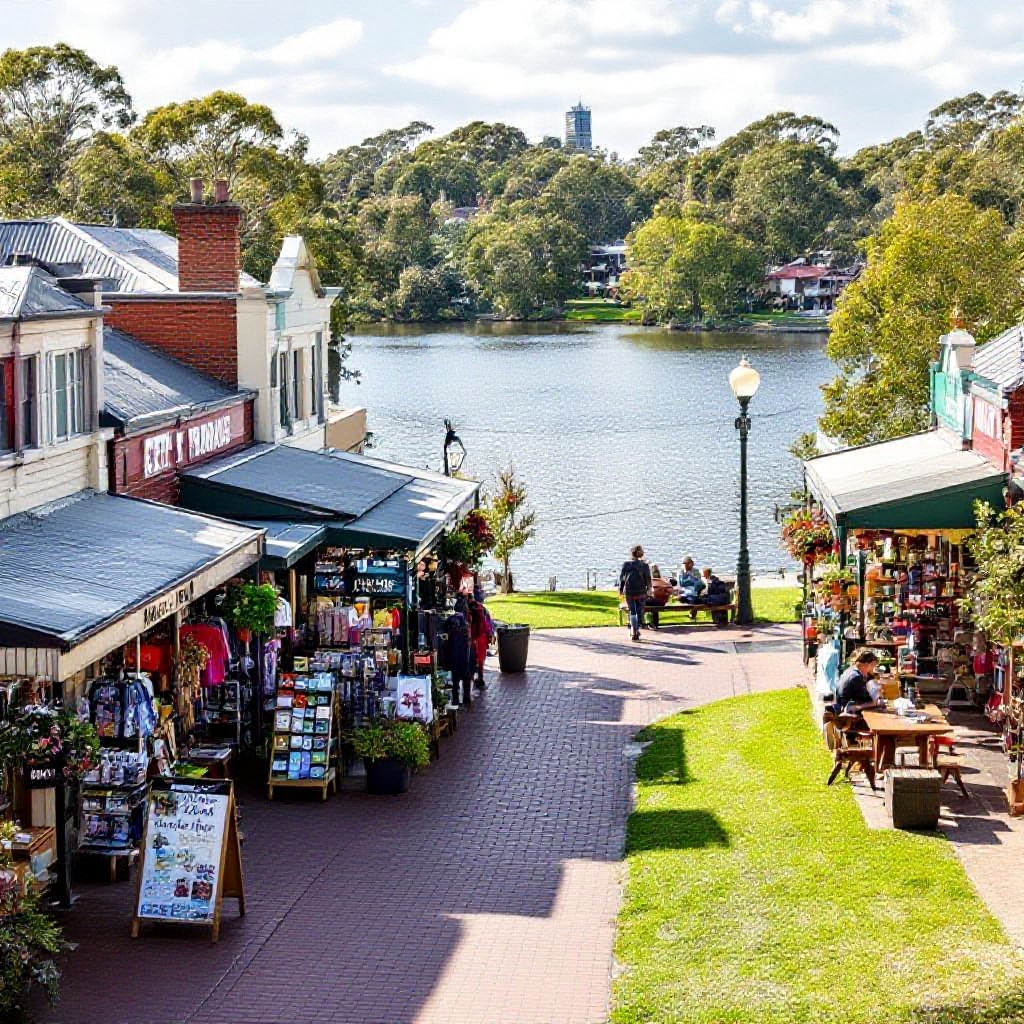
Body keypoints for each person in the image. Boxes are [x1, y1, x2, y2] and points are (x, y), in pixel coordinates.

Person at [619, 544, 652, 643]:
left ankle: (634, 630)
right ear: (641, 553)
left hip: (629, 591)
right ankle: (636, 628)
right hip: (641, 591)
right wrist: (649, 589)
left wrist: (621, 589)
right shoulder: (645, 565)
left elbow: (622, 579)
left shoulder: (626, 564)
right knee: (639, 611)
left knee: (632, 611)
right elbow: (648, 579)